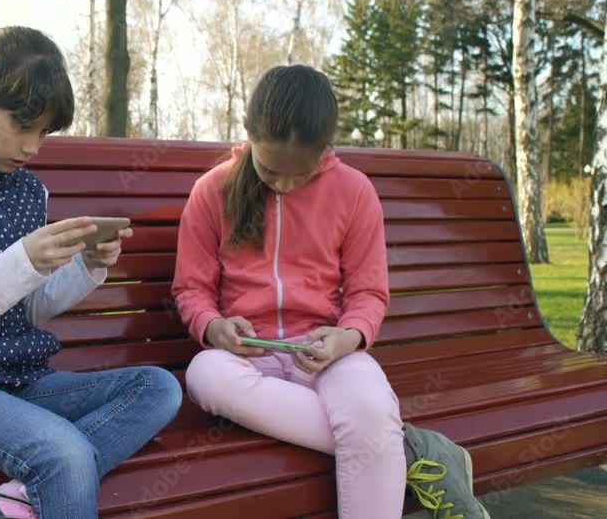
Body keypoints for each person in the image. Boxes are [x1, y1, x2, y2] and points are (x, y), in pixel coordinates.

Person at [0, 26, 183, 519]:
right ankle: (50, 476)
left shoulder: (29, 191)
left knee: (159, 388)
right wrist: (24, 260)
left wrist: (86, 265)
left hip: (19, 379)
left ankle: (9, 500)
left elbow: (29, 308)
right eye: (22, 126)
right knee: (63, 453)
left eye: (43, 132)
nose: (33, 146)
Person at [172, 64, 489, 519]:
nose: (283, 185)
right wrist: (214, 326)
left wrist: (348, 337)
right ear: (249, 134)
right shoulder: (211, 191)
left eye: (299, 175)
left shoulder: (354, 191)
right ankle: (412, 448)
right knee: (205, 375)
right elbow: (191, 289)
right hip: (246, 358)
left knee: (370, 406)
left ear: (324, 149)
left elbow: (369, 293)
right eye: (270, 169)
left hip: (327, 353)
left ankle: (386, 437)